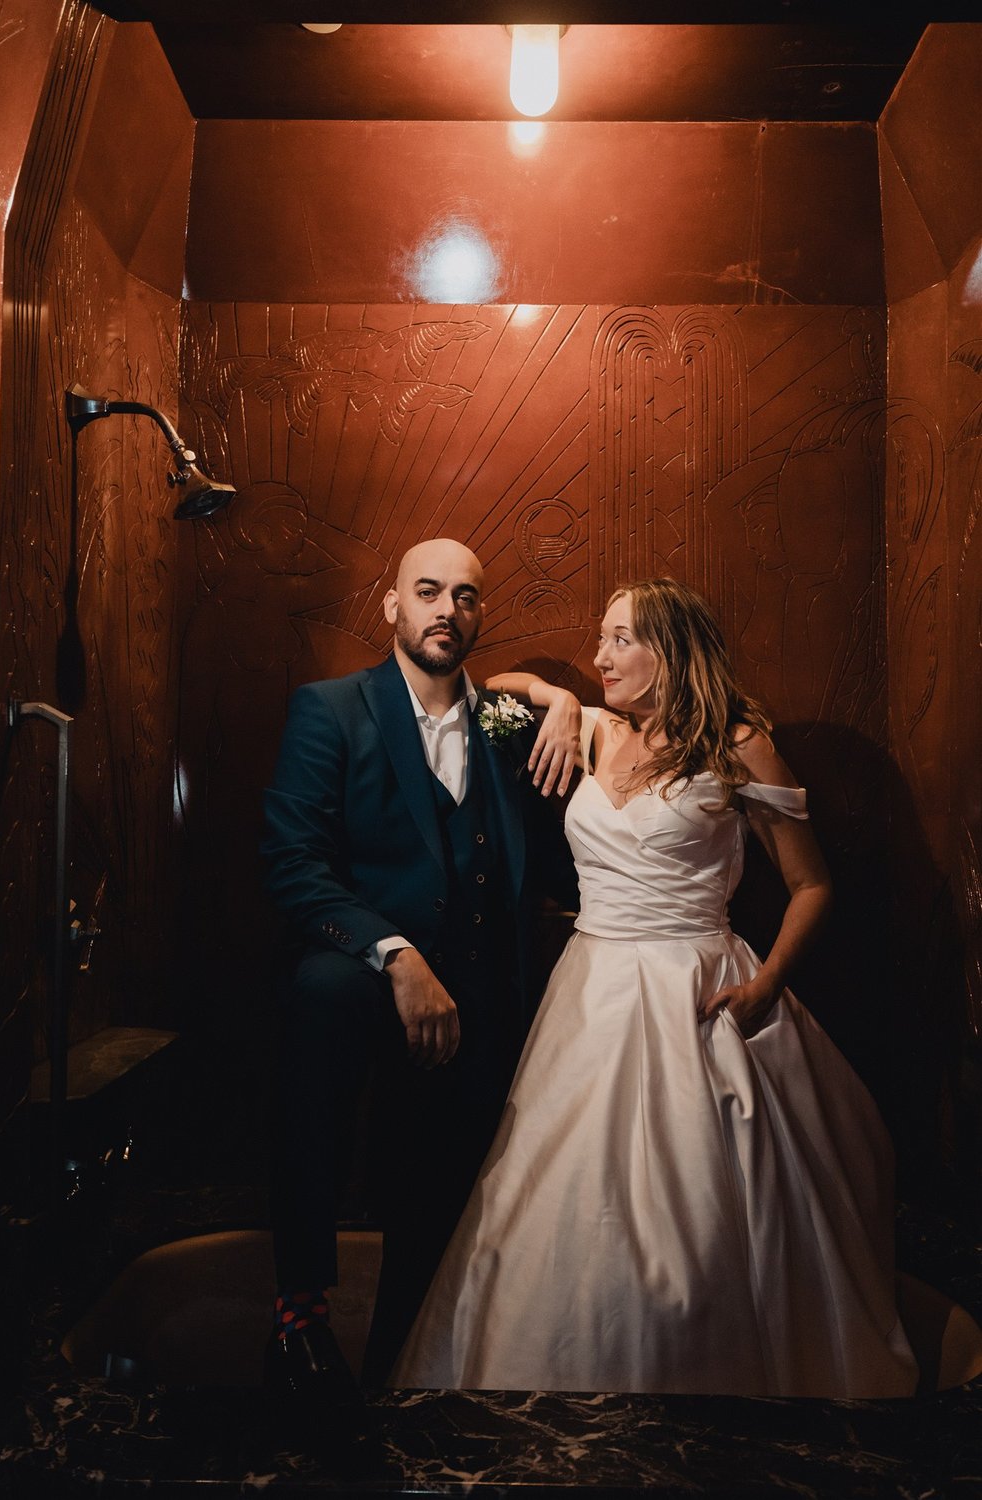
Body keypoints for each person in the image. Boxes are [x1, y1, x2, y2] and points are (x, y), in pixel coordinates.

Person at [391, 576, 919, 1398]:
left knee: (699, 1207)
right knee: (557, 1195)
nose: (599, 657)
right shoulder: (597, 731)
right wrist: (553, 699)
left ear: (671, 648)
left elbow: (813, 886)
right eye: (600, 639)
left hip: (697, 985)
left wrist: (768, 986)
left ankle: (702, 1390)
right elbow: (493, 685)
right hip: (592, 985)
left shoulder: (740, 746)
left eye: (619, 639)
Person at [260, 537, 580, 1410]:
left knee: (441, 1187)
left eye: (467, 596)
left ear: (481, 613)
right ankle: (300, 1315)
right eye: (428, 592)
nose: (448, 609)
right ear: (391, 606)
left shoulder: (510, 726)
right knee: (318, 997)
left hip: (482, 985)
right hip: (364, 975)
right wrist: (396, 957)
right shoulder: (332, 709)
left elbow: (556, 857)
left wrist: (562, 698)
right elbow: (292, 864)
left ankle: (407, 1365)